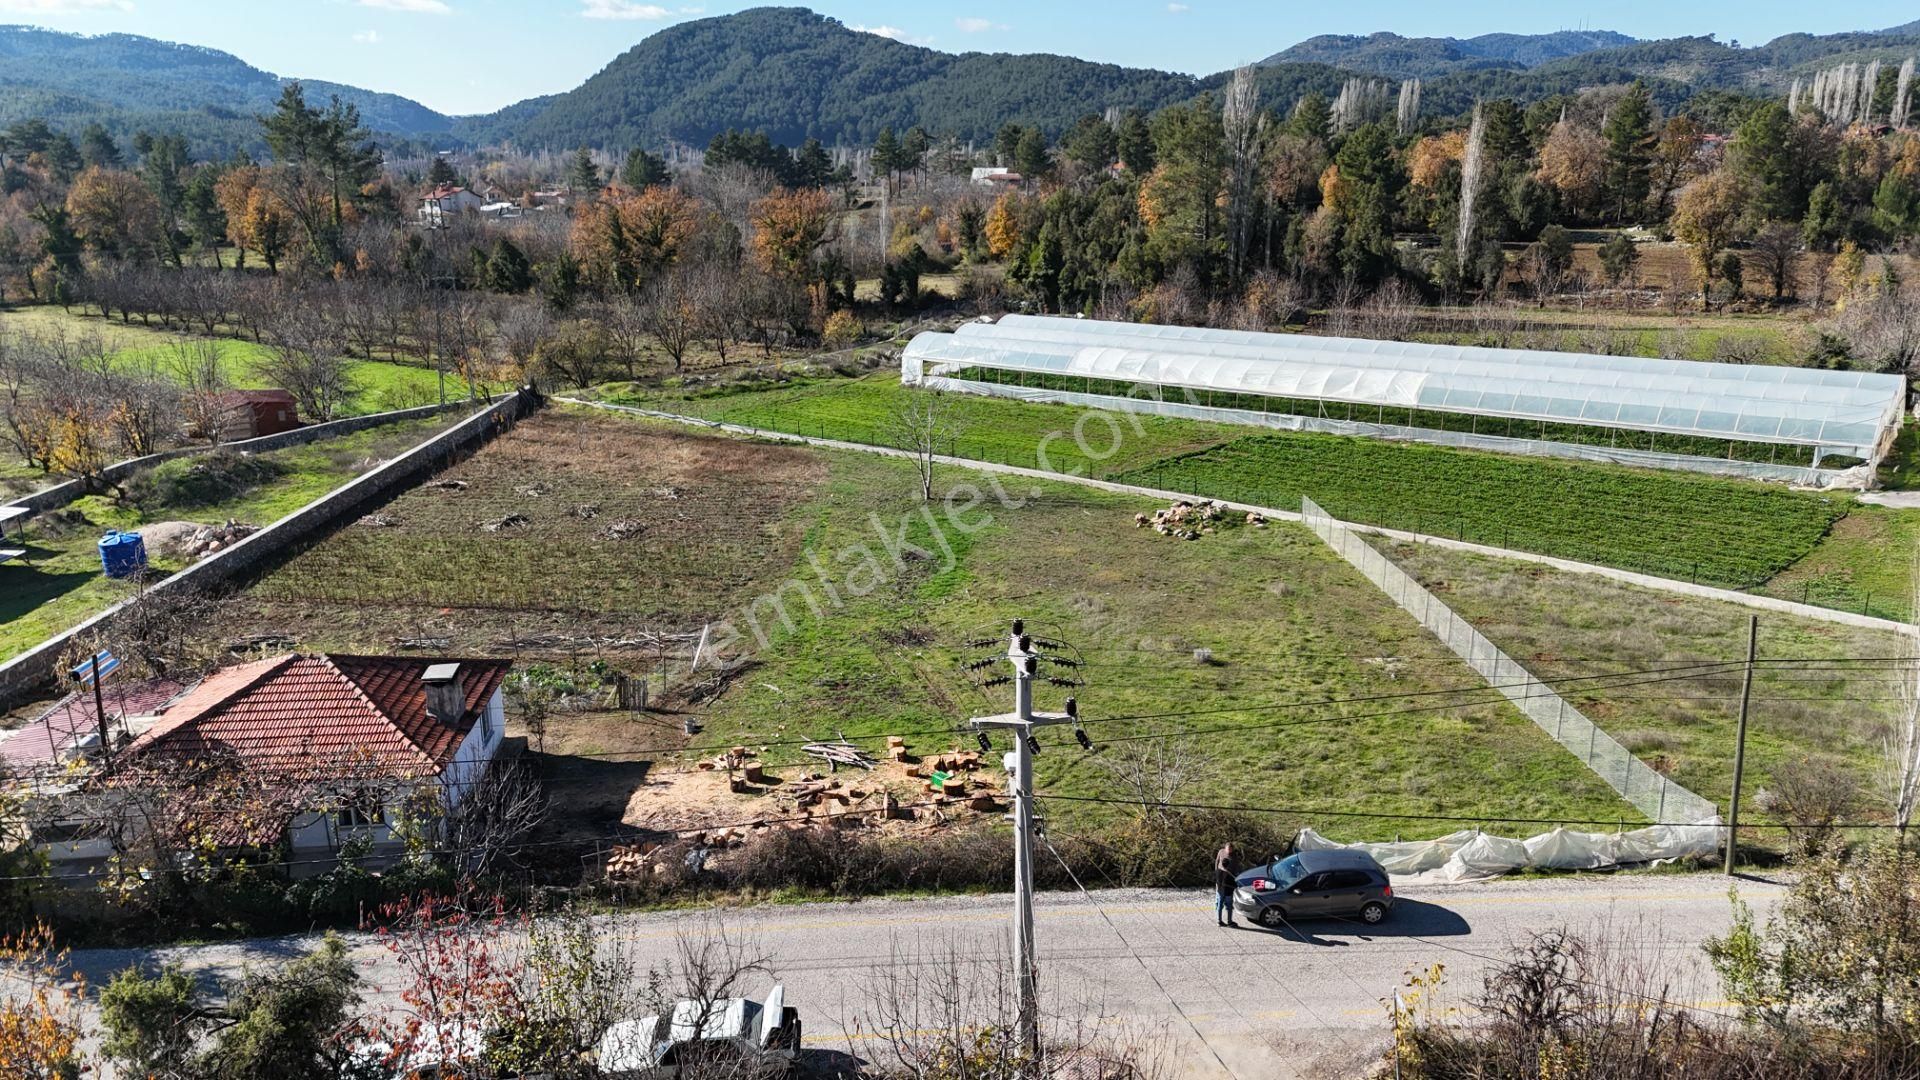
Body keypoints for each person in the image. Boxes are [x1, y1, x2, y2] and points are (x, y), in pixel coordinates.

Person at [1215, 842, 1239, 927]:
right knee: (1224, 904)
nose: (1229, 851)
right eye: (1228, 849)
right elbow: (1216, 861)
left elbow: (1236, 867)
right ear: (1225, 848)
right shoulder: (1221, 852)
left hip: (1221, 885)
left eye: (1231, 849)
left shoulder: (1234, 856)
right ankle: (1222, 921)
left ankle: (1226, 921)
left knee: (1221, 904)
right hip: (1225, 889)